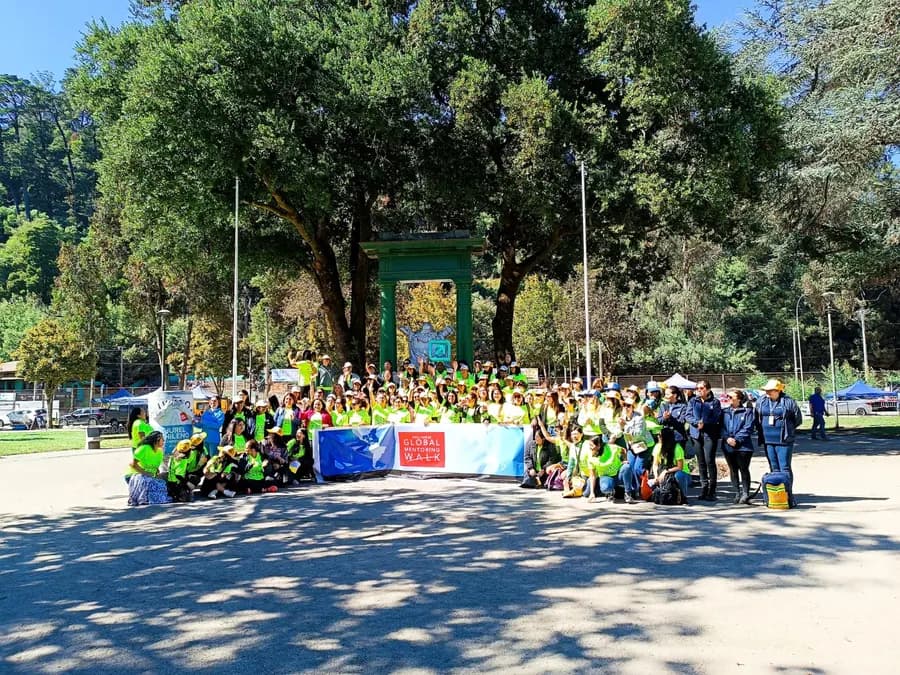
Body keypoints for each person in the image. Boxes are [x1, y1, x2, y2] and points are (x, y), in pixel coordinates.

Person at [755, 378, 802, 505]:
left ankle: (788, 495)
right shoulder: (762, 401)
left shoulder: (788, 402)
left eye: (770, 391)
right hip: (767, 439)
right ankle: (776, 495)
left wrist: (788, 429)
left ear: (778, 391)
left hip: (784, 440)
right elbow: (757, 418)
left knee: (784, 467)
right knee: (773, 468)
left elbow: (797, 419)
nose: (767, 393)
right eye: (766, 390)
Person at [687, 380, 723, 501]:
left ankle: (712, 490)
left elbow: (716, 417)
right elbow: (688, 415)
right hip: (696, 434)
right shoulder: (693, 401)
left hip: (709, 434)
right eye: (697, 388)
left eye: (701, 388)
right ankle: (704, 488)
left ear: (707, 389)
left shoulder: (715, 402)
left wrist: (705, 423)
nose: (699, 390)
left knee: (709, 461)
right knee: (701, 462)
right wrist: (696, 423)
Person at [721, 389, 755, 504]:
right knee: (733, 469)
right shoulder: (724, 412)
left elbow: (748, 427)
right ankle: (737, 492)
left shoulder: (747, 411)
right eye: (728, 396)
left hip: (743, 446)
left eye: (731, 397)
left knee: (743, 469)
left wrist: (737, 439)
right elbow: (721, 428)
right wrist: (727, 438)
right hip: (728, 445)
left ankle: (746, 493)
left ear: (739, 399)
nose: (729, 398)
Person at [126, 431, 171, 505]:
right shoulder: (144, 448)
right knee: (149, 482)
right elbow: (133, 464)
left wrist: (156, 473)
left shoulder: (160, 452)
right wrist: (146, 473)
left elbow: (155, 468)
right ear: (157, 440)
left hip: (149, 476)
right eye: (162, 439)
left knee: (162, 482)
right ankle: (143, 499)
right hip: (136, 475)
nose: (164, 441)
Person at [587, 437, 635, 503]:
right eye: (589, 445)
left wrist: (625, 460)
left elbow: (623, 450)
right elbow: (592, 476)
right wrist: (592, 493)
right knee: (605, 488)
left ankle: (628, 493)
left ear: (598, 445)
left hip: (619, 474)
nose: (590, 447)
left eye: (591, 445)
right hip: (606, 476)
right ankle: (611, 492)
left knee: (627, 467)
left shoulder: (612, 448)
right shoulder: (590, 457)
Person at [652, 427, 690, 503]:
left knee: (679, 475)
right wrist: (656, 477)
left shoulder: (677, 448)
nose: (658, 436)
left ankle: (683, 496)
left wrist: (665, 472)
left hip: (680, 473)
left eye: (660, 435)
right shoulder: (657, 447)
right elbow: (655, 465)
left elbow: (680, 467)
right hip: (664, 472)